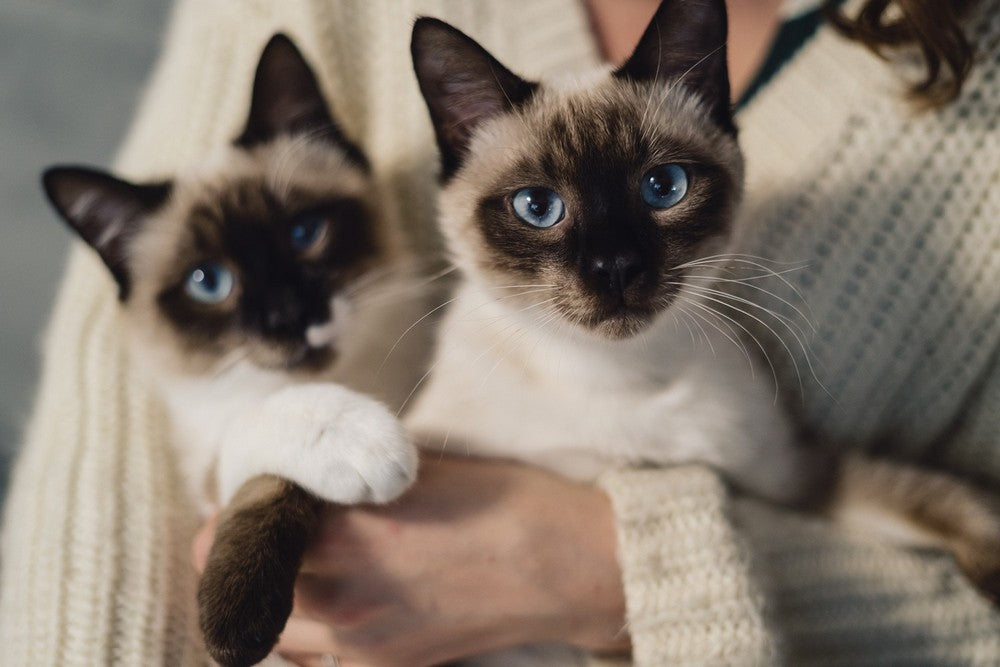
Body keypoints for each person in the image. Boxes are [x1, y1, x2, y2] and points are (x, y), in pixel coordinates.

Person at [2, 0, 997, 664]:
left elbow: (822, 484)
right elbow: (119, 436)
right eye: (538, 212)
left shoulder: (732, 367)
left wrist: (610, 571)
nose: (611, 264)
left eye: (661, 189)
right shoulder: (457, 369)